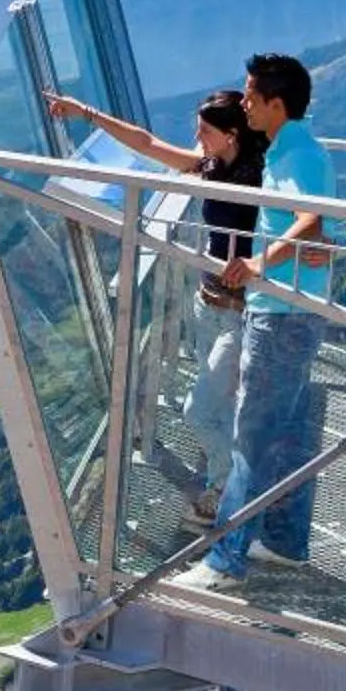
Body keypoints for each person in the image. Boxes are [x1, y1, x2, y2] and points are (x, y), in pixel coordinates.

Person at [43, 89, 267, 512]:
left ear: (232, 133)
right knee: (218, 405)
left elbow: (298, 225)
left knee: (198, 411)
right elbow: (145, 144)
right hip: (209, 305)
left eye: (204, 129)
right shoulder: (212, 166)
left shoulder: (260, 180)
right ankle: (230, 484)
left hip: (242, 314)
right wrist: (86, 111)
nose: (196, 135)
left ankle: (232, 489)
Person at [182, 52, 333, 592]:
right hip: (291, 308)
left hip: (282, 312)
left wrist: (258, 263)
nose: (243, 103)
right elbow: (316, 222)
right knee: (287, 433)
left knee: (253, 434)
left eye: (250, 97)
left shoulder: (298, 153)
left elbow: (309, 217)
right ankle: (286, 543)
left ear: (276, 103)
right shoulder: (289, 147)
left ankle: (225, 560)